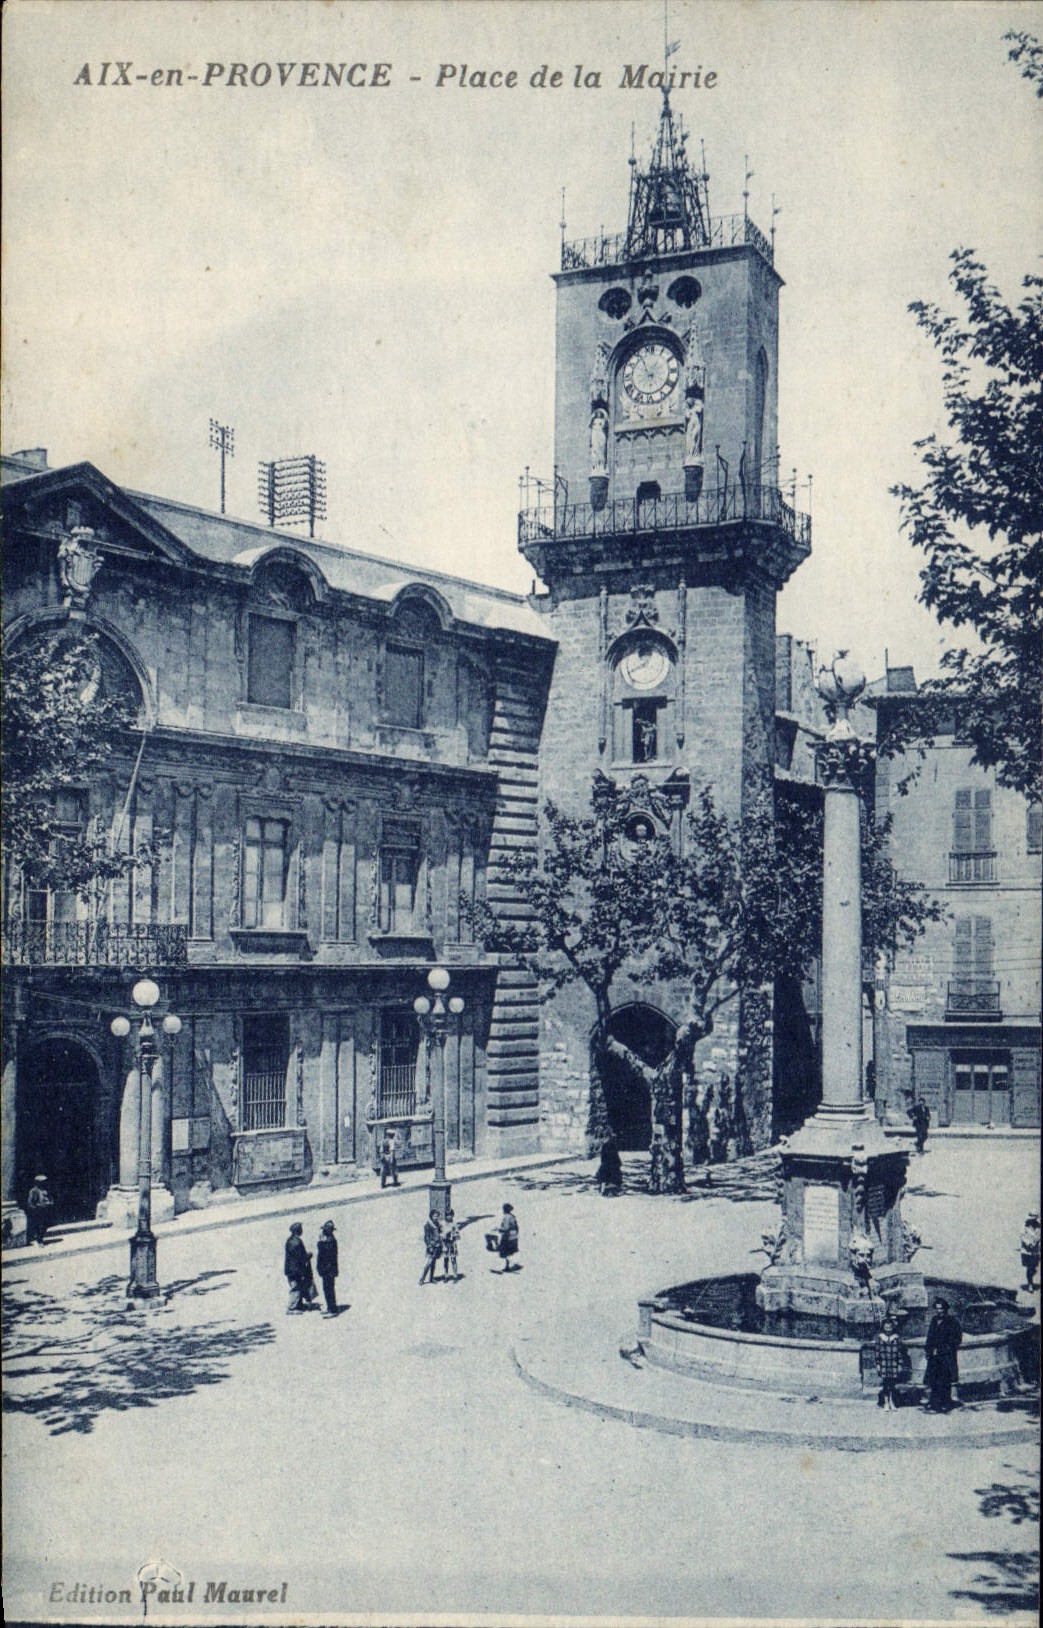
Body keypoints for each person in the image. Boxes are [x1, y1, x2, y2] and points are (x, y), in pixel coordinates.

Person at [923, 1296, 962, 1411]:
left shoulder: (952, 1321)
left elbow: (957, 1338)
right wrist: (928, 1350)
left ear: (945, 1309)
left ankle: (946, 1403)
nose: (939, 1310)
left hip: (946, 1356)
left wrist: (947, 1348)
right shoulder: (934, 1320)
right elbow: (930, 1336)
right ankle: (934, 1402)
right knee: (934, 1380)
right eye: (937, 1308)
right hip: (934, 1356)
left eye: (941, 1308)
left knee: (945, 1380)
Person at [874, 1315, 906, 1410]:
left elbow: (900, 1352)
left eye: (890, 1327)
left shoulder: (896, 1338)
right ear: (883, 1328)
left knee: (892, 1384)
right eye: (886, 1328)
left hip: (893, 1364)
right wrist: (878, 1364)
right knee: (885, 1383)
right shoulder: (880, 1338)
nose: (888, 1330)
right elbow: (877, 1352)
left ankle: (892, 1402)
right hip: (884, 1363)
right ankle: (886, 1402)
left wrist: (900, 1364)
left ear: (893, 1328)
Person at [284, 1222, 315, 1314]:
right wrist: (308, 1255)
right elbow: (301, 1257)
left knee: (298, 1286)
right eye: (301, 1229)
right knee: (296, 1287)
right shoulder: (297, 1242)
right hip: (295, 1269)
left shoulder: (290, 1240)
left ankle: (298, 1304)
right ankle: (292, 1308)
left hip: (290, 1269)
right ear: (298, 1231)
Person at [316, 1220, 340, 1317]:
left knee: (329, 1289)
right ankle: (330, 1308)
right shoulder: (329, 1240)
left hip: (328, 1270)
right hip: (328, 1269)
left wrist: (320, 1243)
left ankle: (332, 1309)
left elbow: (325, 1254)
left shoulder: (330, 1241)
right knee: (327, 1289)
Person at [26, 1175, 54, 1246]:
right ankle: (39, 1240)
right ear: (37, 1182)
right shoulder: (33, 1191)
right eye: (41, 1182)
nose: (43, 1184)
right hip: (38, 1211)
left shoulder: (46, 1190)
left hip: (46, 1210)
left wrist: (50, 1203)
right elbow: (30, 1202)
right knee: (39, 1226)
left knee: (44, 1226)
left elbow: (50, 1198)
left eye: (44, 1182)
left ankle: (40, 1238)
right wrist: (35, 1207)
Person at [420, 1210, 443, 1285]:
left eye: (437, 1216)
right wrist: (429, 1245)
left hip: (437, 1245)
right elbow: (426, 1237)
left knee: (433, 1262)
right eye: (435, 1216)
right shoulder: (427, 1225)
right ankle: (422, 1279)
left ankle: (431, 1278)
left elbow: (440, 1232)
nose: (436, 1218)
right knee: (429, 1262)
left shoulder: (437, 1224)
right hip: (431, 1246)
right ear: (431, 1216)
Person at [1019, 1212, 1041, 1292]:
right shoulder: (1025, 1225)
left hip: (1036, 1251)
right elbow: (1022, 1236)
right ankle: (1030, 1284)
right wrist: (1028, 1243)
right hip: (1027, 1251)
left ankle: (1030, 1278)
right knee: (1029, 1267)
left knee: (1034, 1268)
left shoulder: (1039, 1225)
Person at [496, 1202, 519, 1272]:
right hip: (514, 1236)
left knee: (505, 1252)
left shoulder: (506, 1217)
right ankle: (509, 1265)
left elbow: (505, 1228)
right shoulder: (512, 1216)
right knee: (510, 1252)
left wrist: (498, 1229)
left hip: (507, 1237)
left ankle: (507, 1266)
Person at [442, 1208, 460, 1281]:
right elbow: (440, 1233)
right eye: (447, 1215)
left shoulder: (454, 1224)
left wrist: (454, 1235)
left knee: (453, 1259)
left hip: (452, 1244)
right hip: (445, 1244)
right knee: (446, 1259)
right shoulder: (443, 1224)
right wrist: (444, 1235)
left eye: (450, 1215)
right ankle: (446, 1275)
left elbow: (458, 1235)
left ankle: (455, 1275)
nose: (449, 1217)